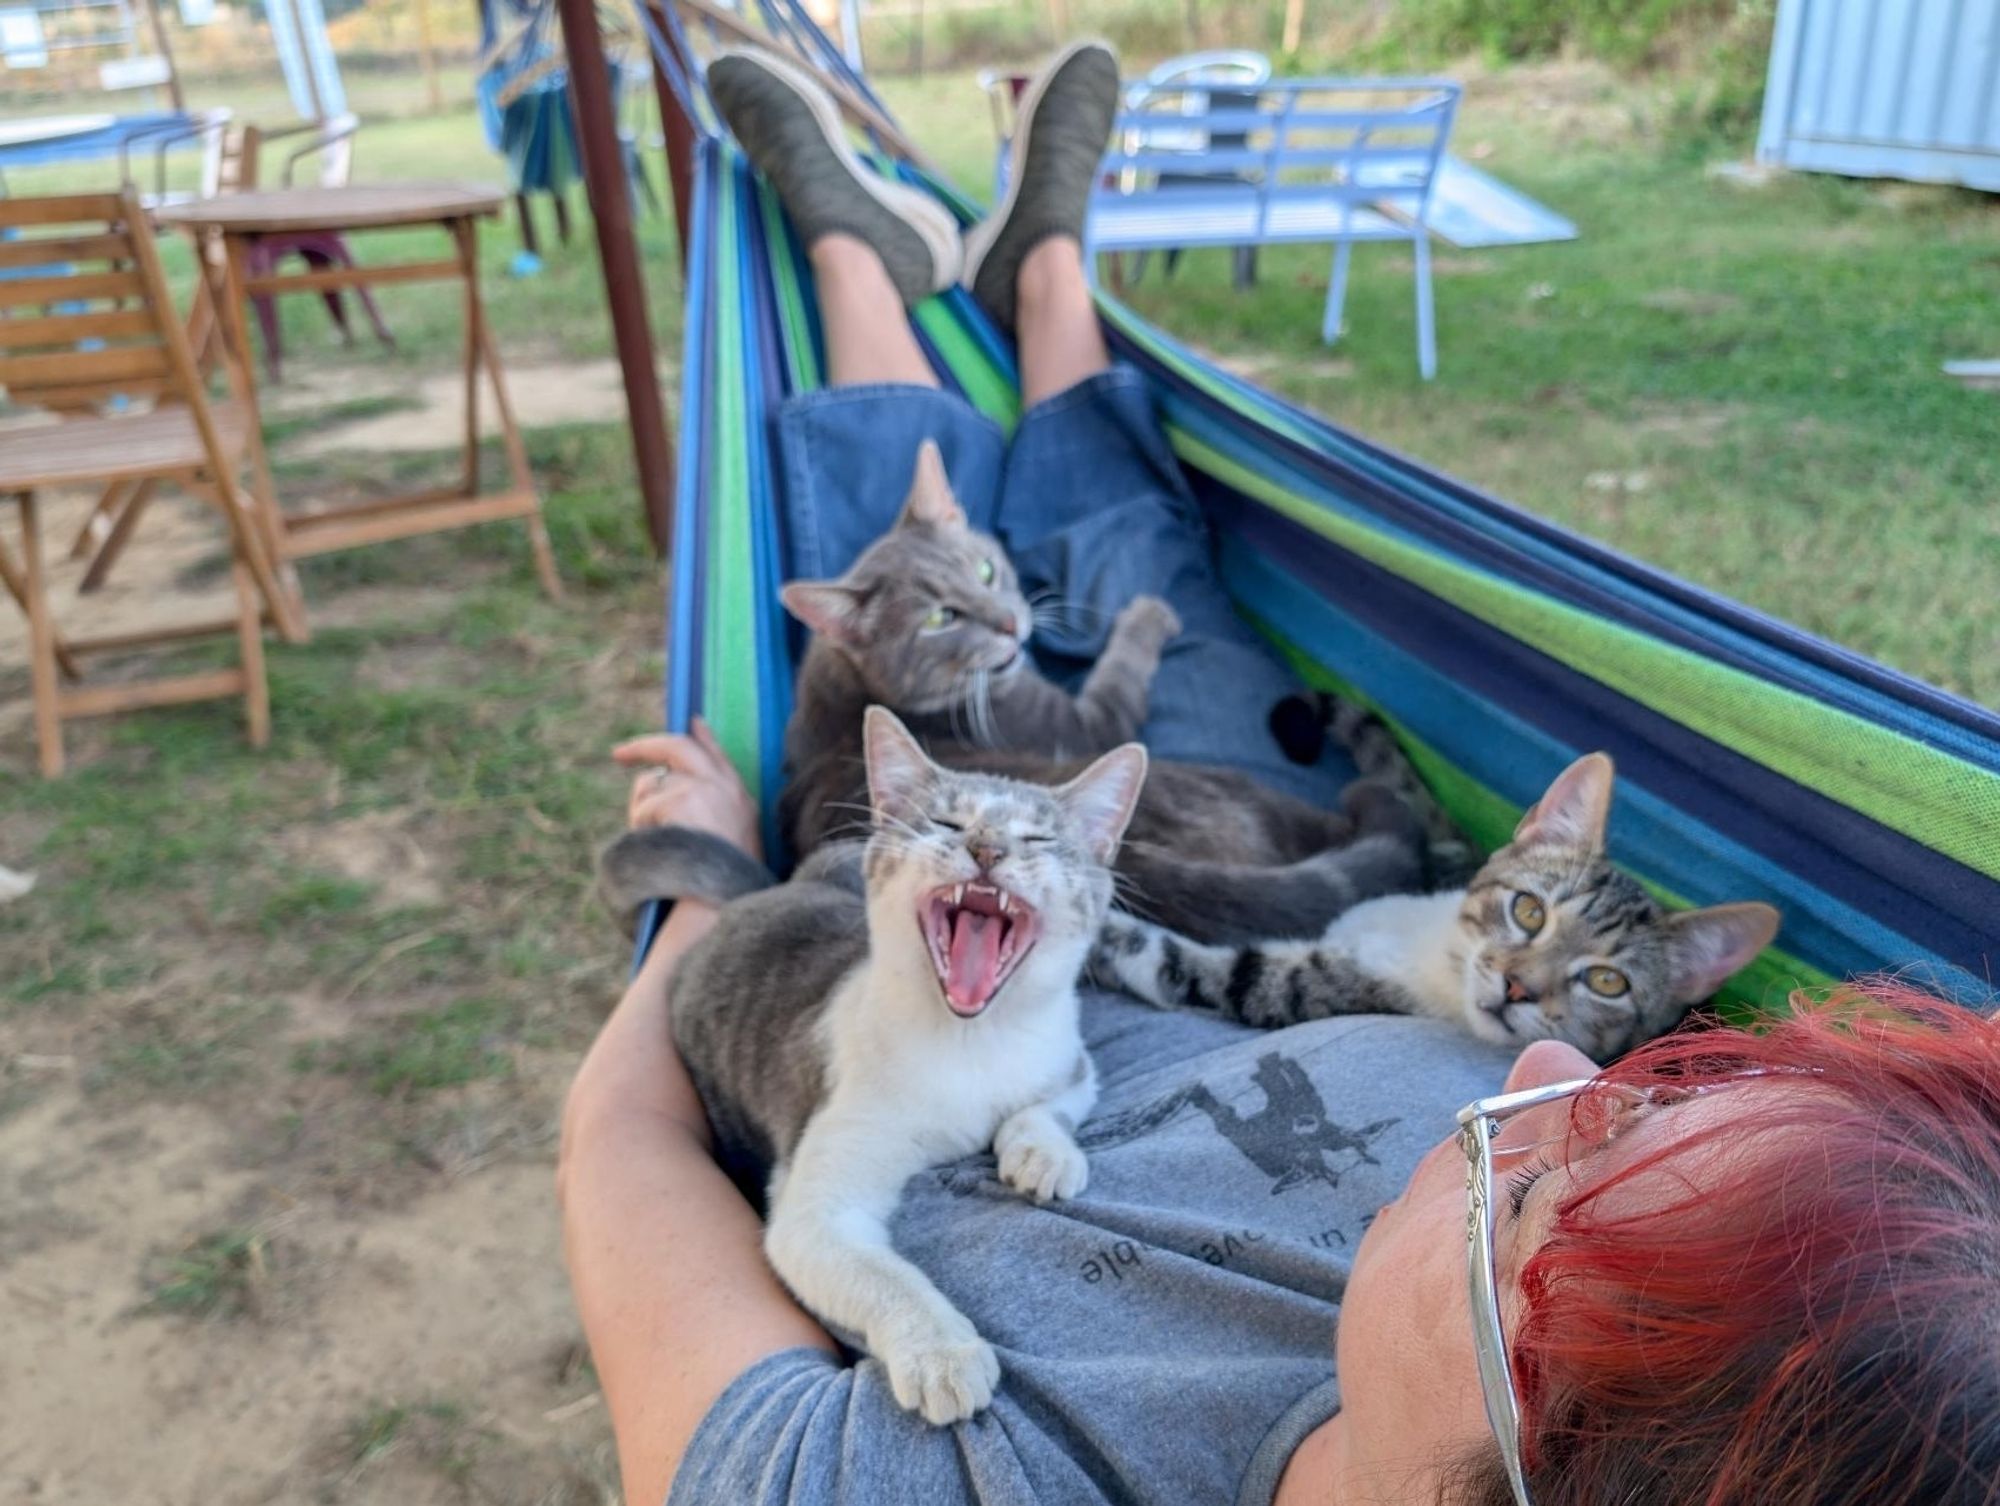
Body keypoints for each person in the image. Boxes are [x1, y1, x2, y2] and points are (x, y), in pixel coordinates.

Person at [559, 41, 2000, 1506]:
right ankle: (1048, 273)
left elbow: (625, 1147)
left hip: (990, 897)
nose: (1548, 1074)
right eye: (1651, 1098)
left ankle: (857, 264)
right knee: (1140, 560)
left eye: (1565, 1200)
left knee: (903, 606)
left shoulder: (973, 1474)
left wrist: (704, 876)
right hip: (1278, 821)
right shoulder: (1526, 1091)